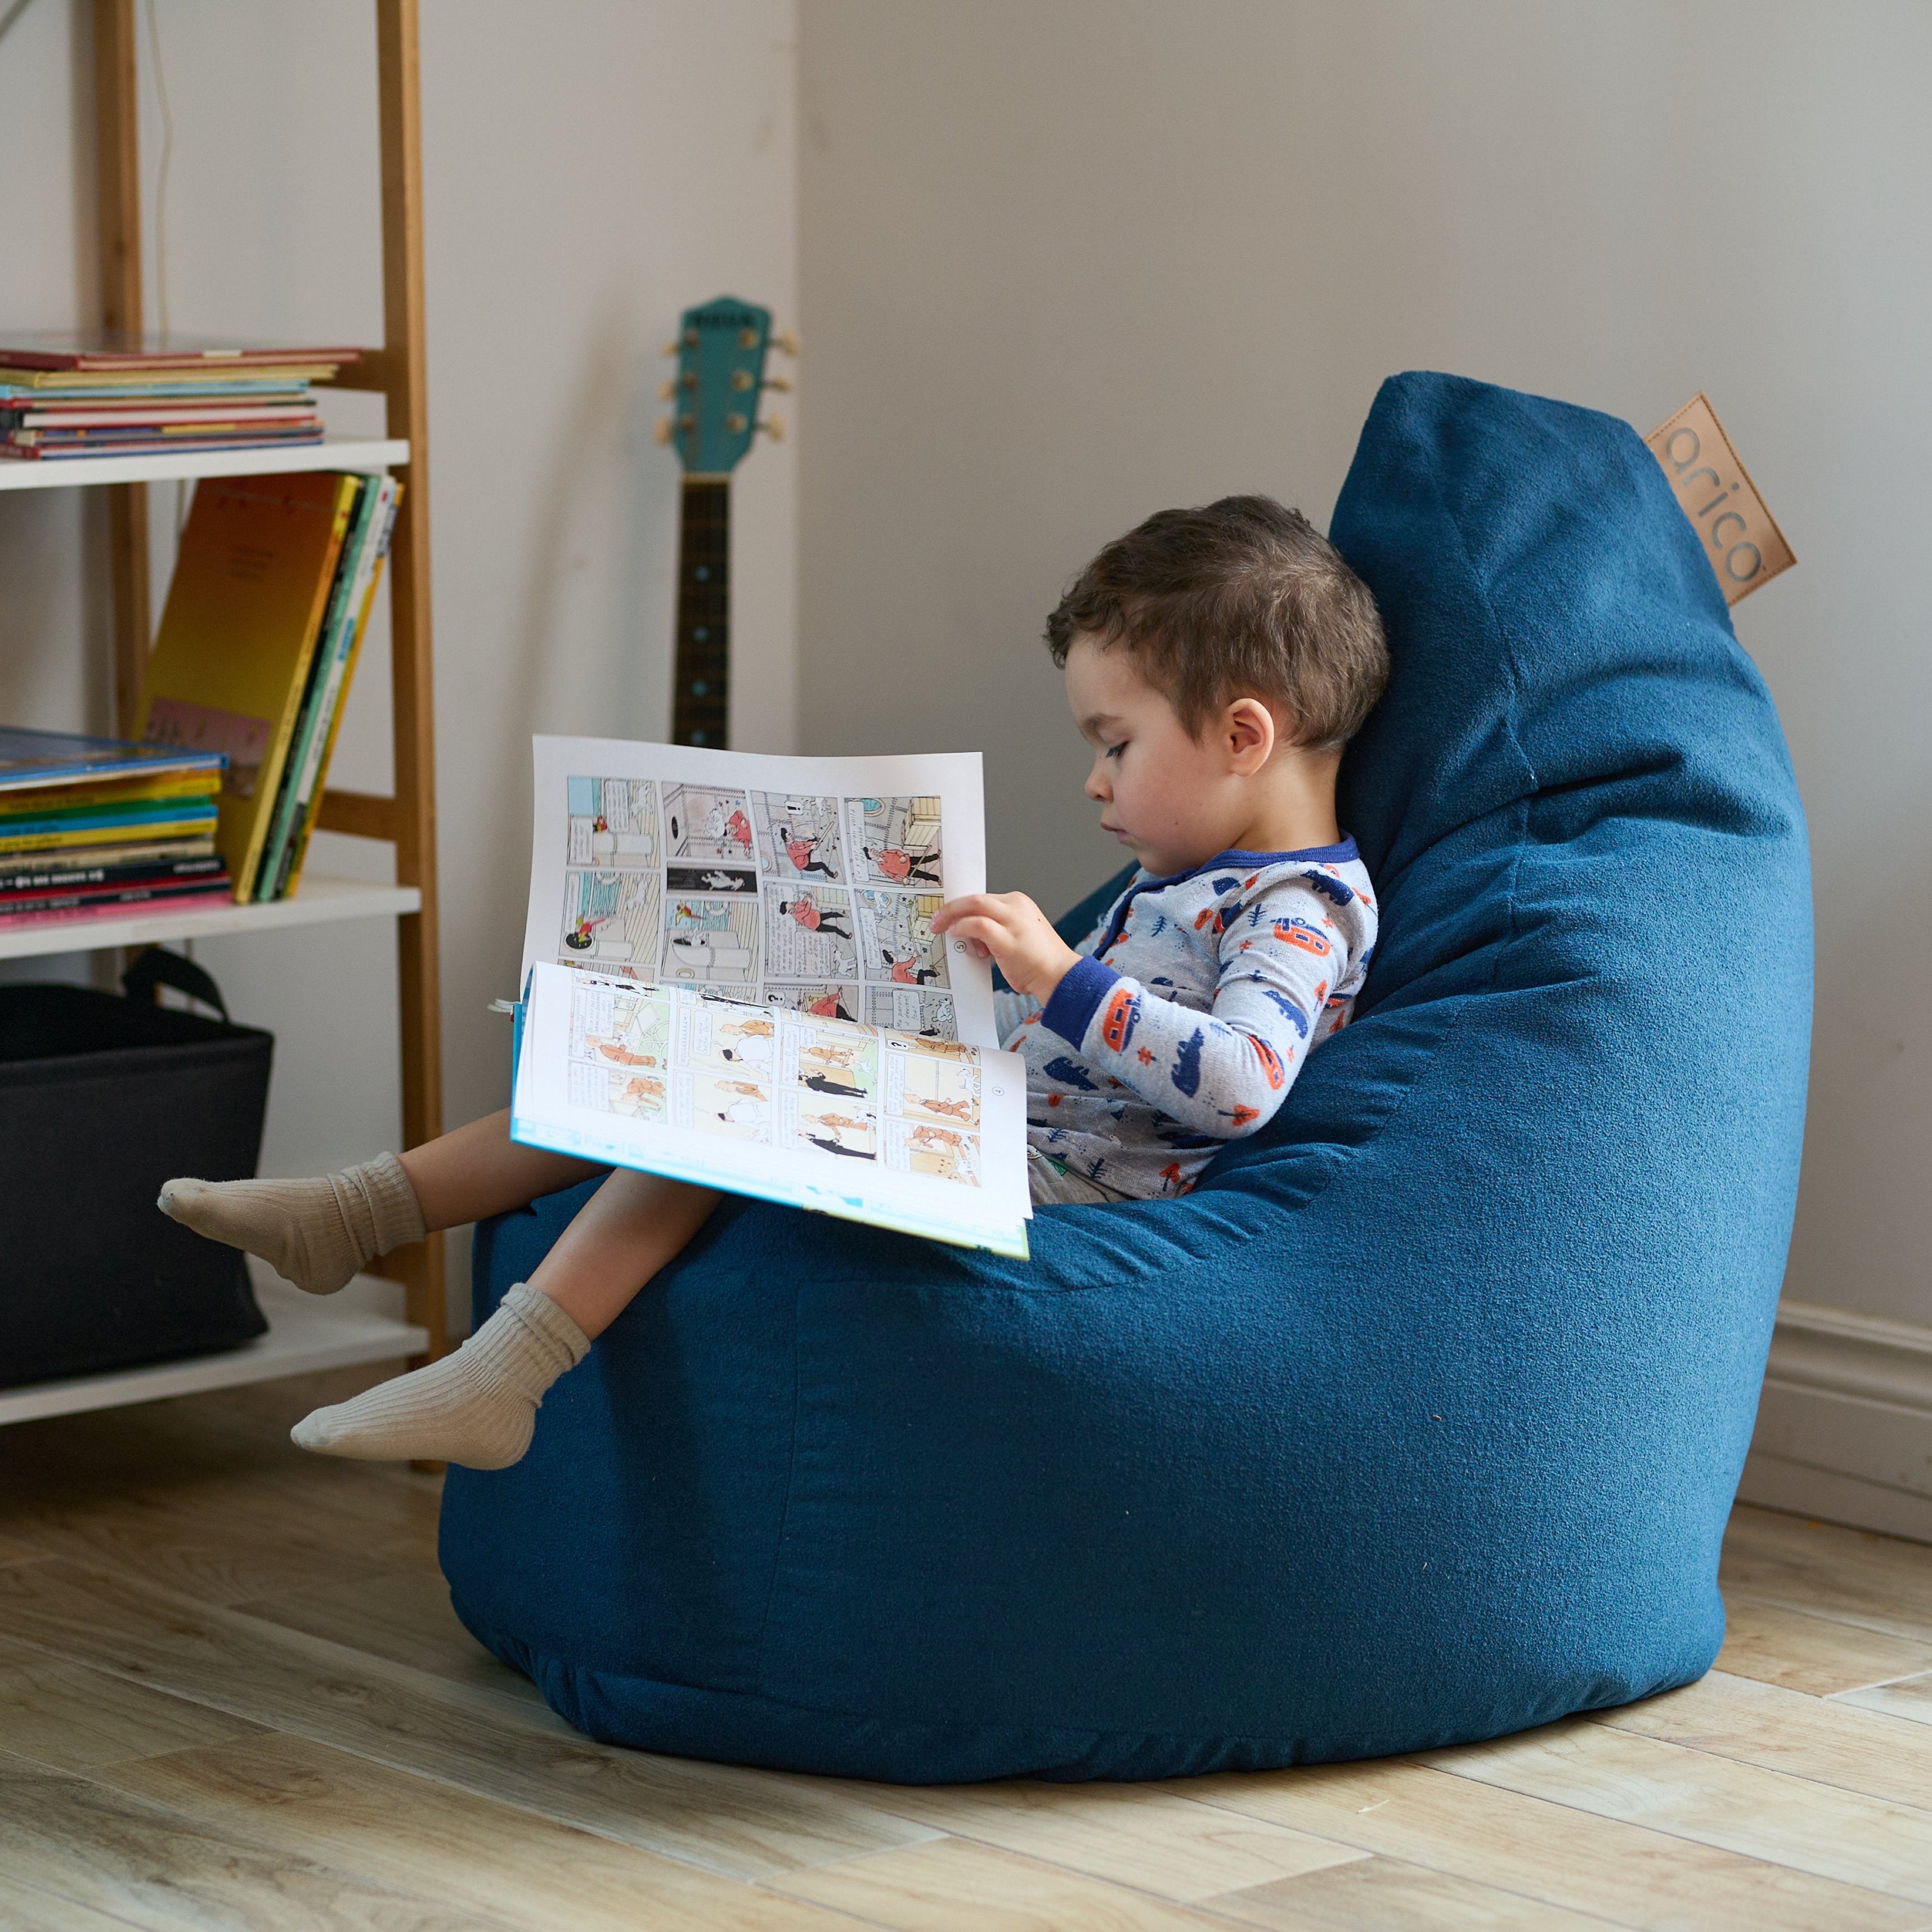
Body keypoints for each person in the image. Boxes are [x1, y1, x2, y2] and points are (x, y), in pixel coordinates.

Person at [157, 495, 1385, 1470]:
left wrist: (1054, 979)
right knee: (664, 1047)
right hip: (1006, 1126)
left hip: (1055, 1185)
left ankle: (507, 1370)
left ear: (1242, 735)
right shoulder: (1204, 873)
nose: (1095, 782)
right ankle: (358, 1214)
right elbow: (1095, 1042)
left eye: (1113, 744)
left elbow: (1239, 1081)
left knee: (718, 1100)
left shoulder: (1297, 905)